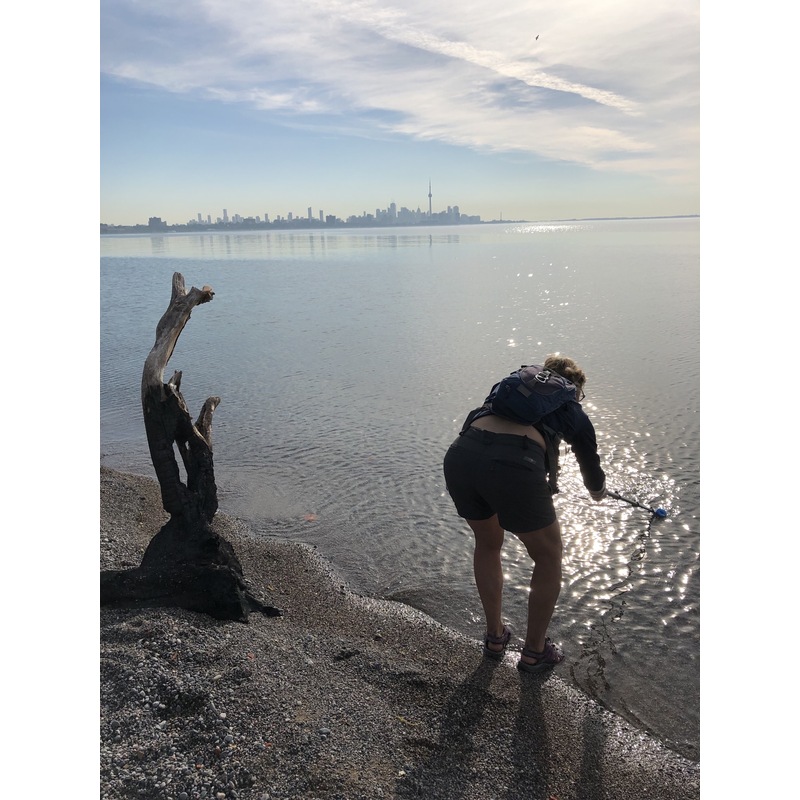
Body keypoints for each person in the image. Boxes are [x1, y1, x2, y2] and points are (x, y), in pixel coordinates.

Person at [442, 355, 607, 672]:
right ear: (575, 388)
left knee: (488, 544)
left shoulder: (512, 391)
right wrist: (597, 491)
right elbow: (589, 459)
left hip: (462, 454)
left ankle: (495, 637)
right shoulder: (571, 406)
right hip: (514, 463)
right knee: (548, 556)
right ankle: (534, 652)